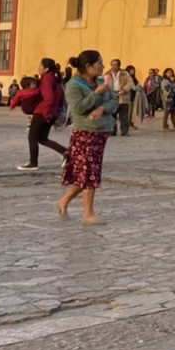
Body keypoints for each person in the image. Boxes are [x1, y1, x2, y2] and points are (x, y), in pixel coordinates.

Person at [57, 50, 117, 225]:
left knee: (87, 173)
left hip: (101, 133)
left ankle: (64, 201)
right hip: (85, 133)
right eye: (100, 63)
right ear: (88, 66)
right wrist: (97, 94)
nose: (103, 66)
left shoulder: (100, 81)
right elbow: (79, 108)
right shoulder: (74, 85)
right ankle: (88, 213)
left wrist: (102, 108)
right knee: (89, 172)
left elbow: (114, 102)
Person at [10, 58, 68, 170]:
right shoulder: (55, 79)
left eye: (40, 66)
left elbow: (49, 97)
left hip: (42, 112)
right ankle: (66, 152)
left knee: (32, 137)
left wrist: (46, 113)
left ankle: (33, 163)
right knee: (42, 138)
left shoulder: (46, 79)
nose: (38, 68)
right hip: (52, 112)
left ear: (46, 69)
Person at [106, 59, 134, 137]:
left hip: (123, 96)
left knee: (124, 116)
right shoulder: (107, 74)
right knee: (112, 115)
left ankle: (124, 131)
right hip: (111, 96)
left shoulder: (124, 74)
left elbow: (130, 83)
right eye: (112, 65)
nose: (114, 66)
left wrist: (124, 89)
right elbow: (104, 84)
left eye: (116, 64)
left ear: (119, 65)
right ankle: (112, 131)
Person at [125, 65, 143, 130]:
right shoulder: (128, 78)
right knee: (129, 111)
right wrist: (139, 88)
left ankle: (131, 123)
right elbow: (133, 87)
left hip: (133, 96)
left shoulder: (133, 78)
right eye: (131, 70)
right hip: (129, 96)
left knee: (132, 111)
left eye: (133, 70)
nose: (133, 71)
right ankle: (129, 124)